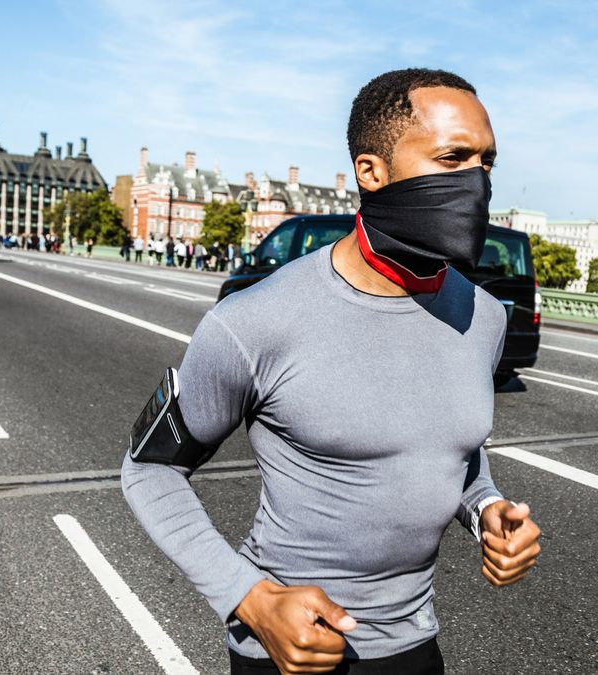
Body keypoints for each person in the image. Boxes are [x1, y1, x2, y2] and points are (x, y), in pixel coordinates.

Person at [122, 68, 541, 675]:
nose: (476, 183)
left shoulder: (482, 316)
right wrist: (251, 599)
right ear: (371, 172)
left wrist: (485, 511)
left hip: (416, 648)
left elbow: (457, 449)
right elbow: (150, 469)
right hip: (291, 652)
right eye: (453, 158)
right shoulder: (256, 320)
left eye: (487, 163)